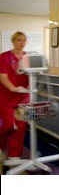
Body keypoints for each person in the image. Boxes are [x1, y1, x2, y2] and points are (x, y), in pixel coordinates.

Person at [0, 31, 29, 162]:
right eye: (18, 40)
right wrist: (14, 88)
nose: (21, 43)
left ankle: (14, 155)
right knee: (7, 125)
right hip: (6, 97)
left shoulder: (28, 57)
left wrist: (28, 87)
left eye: (23, 40)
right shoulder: (4, 57)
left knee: (21, 127)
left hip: (22, 98)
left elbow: (31, 75)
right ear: (13, 41)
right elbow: (3, 77)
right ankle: (1, 147)